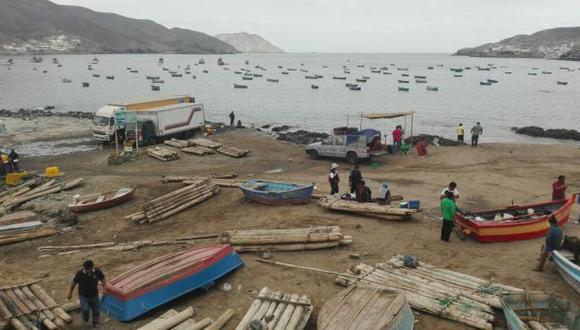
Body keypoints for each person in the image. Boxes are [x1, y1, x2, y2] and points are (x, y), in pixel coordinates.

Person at [68, 260, 106, 328]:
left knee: (96, 310)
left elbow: (102, 278)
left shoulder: (97, 272)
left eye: (89, 269)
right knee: (85, 309)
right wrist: (70, 293)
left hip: (95, 295)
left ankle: (95, 322)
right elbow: (73, 283)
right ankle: (85, 321)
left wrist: (105, 288)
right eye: (86, 269)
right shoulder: (80, 274)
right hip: (83, 296)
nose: (87, 271)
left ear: (92, 268)